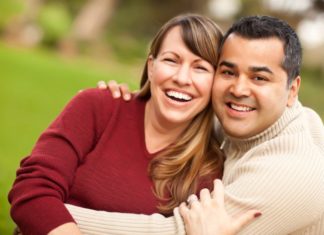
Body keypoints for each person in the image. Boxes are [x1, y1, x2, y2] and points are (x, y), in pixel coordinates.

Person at [66, 15, 324, 234]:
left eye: (259, 77)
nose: (238, 88)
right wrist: (122, 103)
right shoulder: (238, 118)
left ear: (293, 90)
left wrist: (48, 213)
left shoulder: (293, 173)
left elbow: (176, 231)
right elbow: (180, 98)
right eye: (228, 72)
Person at [8, 14, 259, 235]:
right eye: (171, 60)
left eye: (200, 68)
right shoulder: (98, 106)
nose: (182, 78)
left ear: (216, 82)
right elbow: (32, 189)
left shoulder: (208, 170)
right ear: (151, 66)